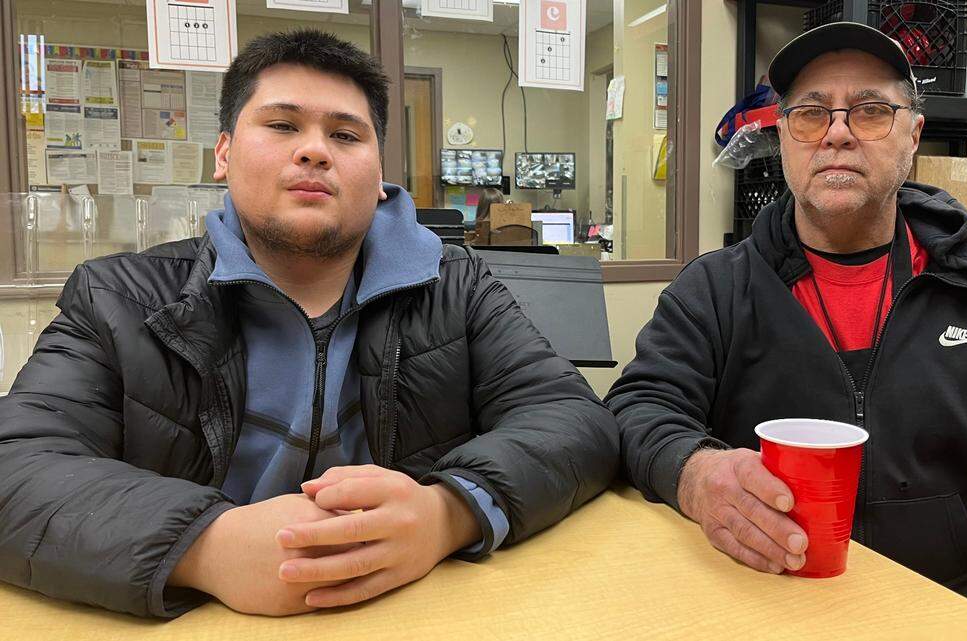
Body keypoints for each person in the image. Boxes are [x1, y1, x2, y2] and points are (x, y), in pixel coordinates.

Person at [0, 29, 617, 618]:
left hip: (411, 610)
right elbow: (18, 465)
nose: (315, 149)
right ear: (223, 152)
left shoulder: (455, 285)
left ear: (379, 176)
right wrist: (202, 547)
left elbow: (573, 419)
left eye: (347, 136)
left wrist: (448, 512)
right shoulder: (118, 299)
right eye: (282, 125)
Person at [607, 22, 967, 641]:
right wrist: (695, 474)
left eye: (869, 111)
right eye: (810, 114)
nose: (836, 133)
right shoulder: (714, 292)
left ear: (913, 135)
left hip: (949, 604)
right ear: (782, 137)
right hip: (762, 606)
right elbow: (633, 412)